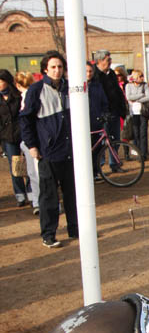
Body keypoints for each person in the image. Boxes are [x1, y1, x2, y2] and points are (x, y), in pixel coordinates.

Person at [20, 51, 78, 248]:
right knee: (49, 196)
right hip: (48, 152)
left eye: (60, 67)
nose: (57, 70)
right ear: (45, 68)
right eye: (53, 67)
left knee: (72, 193)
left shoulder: (70, 88)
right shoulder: (36, 90)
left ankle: (75, 229)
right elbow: (25, 120)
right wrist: (32, 146)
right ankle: (48, 234)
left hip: (70, 151)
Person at [94, 50, 128, 171]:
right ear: (99, 61)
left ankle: (114, 163)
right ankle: (100, 166)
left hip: (114, 111)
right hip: (102, 113)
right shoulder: (94, 75)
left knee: (115, 139)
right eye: (108, 60)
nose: (110, 62)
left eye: (110, 59)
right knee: (102, 141)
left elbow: (117, 91)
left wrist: (122, 108)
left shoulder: (112, 73)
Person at [0, 70, 28, 206]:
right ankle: (20, 194)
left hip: (22, 133)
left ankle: (31, 191)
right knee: (14, 165)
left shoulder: (18, 96)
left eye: (1, 81)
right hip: (7, 136)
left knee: (28, 163)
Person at [14, 71, 39, 212]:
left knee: (35, 173)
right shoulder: (30, 95)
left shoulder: (27, 98)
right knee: (35, 173)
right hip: (30, 140)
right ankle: (37, 200)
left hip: (31, 140)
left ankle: (38, 201)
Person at [86, 62, 109, 180]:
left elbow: (103, 101)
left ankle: (95, 172)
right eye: (86, 71)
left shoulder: (97, 85)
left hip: (96, 121)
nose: (88, 74)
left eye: (90, 71)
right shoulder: (78, 86)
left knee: (97, 149)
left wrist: (104, 113)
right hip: (84, 123)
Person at [125, 70, 149, 160]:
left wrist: (137, 100)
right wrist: (141, 95)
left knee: (143, 133)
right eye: (140, 76)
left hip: (143, 112)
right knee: (136, 134)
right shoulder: (128, 86)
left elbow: (148, 97)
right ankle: (138, 151)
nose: (142, 78)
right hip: (133, 113)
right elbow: (128, 97)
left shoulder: (145, 85)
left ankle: (143, 153)